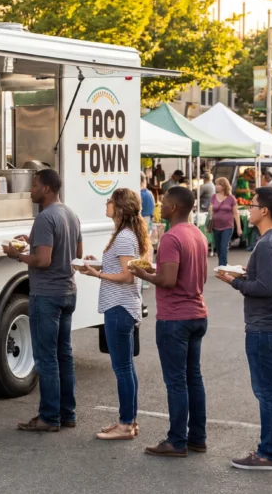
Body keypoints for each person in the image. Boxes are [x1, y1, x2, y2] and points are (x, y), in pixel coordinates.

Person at [216, 187, 272, 470]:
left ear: (265, 211)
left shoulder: (267, 243)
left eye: (253, 204)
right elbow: (268, 279)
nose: (248, 208)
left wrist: (234, 282)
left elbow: (265, 287)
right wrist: (246, 273)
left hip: (266, 326)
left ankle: (267, 453)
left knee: (268, 392)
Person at [130, 187, 208, 458]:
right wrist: (157, 271)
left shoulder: (171, 237)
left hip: (175, 317)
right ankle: (197, 437)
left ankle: (177, 440)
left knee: (176, 381)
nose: (160, 205)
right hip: (197, 312)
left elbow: (168, 280)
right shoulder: (197, 234)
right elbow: (187, 273)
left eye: (164, 202)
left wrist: (143, 274)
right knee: (193, 378)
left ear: (174, 207)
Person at [3, 169, 82, 432]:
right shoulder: (70, 214)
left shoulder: (45, 218)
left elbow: (43, 261)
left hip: (47, 294)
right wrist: (33, 242)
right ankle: (67, 413)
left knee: (46, 358)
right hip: (68, 291)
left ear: (47, 189)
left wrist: (17, 255)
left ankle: (48, 417)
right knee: (64, 355)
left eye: (35, 185)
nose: (31, 190)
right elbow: (76, 253)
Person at [78, 188, 149, 440]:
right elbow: (121, 267)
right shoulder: (125, 235)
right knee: (126, 367)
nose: (106, 204)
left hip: (119, 307)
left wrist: (97, 274)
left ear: (119, 207)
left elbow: (127, 276)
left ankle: (125, 423)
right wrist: (97, 263)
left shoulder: (124, 237)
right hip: (122, 306)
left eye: (109, 201)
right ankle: (129, 420)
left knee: (122, 368)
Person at [210, 177, 241, 267]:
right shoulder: (213, 197)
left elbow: (236, 213)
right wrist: (210, 219)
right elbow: (211, 209)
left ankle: (222, 266)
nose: (216, 186)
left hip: (227, 226)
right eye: (216, 184)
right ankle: (224, 263)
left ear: (223, 186)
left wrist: (239, 228)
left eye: (218, 184)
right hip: (215, 226)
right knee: (218, 247)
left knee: (223, 246)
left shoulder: (231, 198)